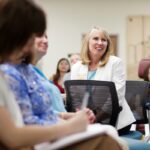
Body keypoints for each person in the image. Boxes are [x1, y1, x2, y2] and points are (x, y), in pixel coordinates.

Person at [0, 0, 126, 150]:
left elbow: (38, 111)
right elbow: (13, 136)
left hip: (61, 127)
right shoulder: (7, 74)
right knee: (107, 141)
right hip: (40, 140)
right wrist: (71, 126)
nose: (39, 40)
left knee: (109, 135)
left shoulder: (24, 69)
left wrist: (67, 117)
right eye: (34, 34)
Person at [71, 26, 136, 135]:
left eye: (104, 40)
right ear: (87, 42)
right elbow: (75, 96)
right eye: (96, 38)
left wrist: (95, 119)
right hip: (87, 120)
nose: (100, 42)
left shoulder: (115, 63)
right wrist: (83, 116)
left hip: (114, 120)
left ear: (108, 44)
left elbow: (116, 97)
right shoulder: (77, 67)